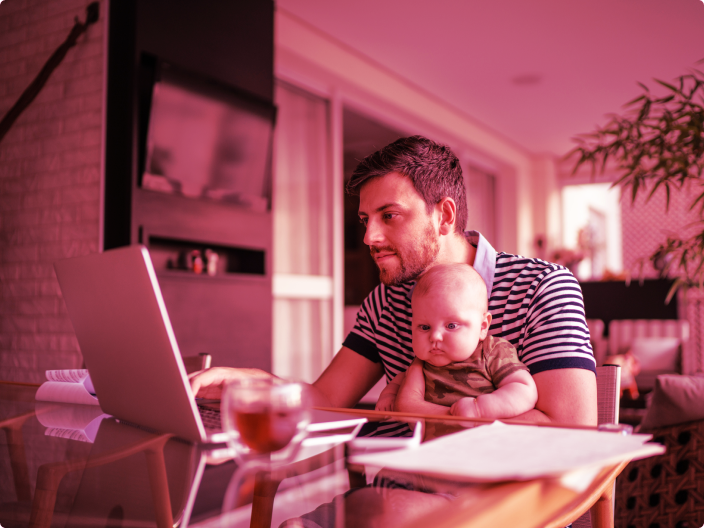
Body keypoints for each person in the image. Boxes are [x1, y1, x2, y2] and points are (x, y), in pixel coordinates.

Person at [190, 135, 597, 427]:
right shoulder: (384, 304)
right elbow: (326, 400)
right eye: (367, 220)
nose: (369, 237)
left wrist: (443, 418)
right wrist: (256, 382)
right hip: (401, 489)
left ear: (444, 217)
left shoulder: (542, 286)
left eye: (390, 215)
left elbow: (574, 429)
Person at [375, 263, 538, 421]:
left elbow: (524, 389)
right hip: (430, 446)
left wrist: (480, 409)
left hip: (481, 441)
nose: (435, 336)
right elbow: (400, 380)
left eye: (451, 326)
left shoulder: (492, 352)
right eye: (424, 327)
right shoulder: (422, 364)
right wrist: (389, 395)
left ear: (482, 326)